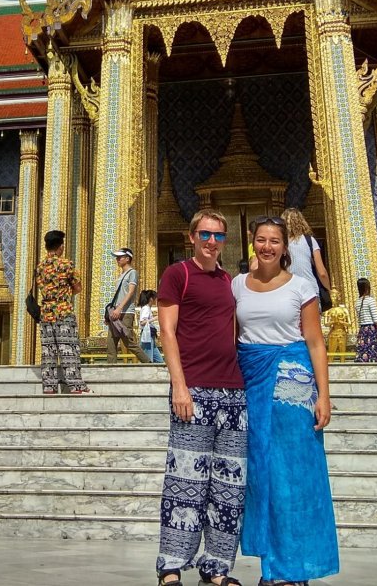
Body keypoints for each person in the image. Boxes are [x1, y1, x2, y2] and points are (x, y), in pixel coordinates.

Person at [234, 216, 338, 584]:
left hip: (292, 381)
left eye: (274, 241)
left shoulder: (300, 287)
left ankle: (295, 568)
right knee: (262, 473)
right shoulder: (237, 286)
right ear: (252, 243)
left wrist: (324, 395)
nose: (267, 247)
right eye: (261, 240)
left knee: (294, 471)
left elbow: (315, 343)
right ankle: (273, 567)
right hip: (252, 379)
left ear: (284, 246)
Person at [155, 208, 246, 586]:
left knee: (229, 489)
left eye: (219, 236)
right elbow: (167, 332)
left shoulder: (230, 281)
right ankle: (172, 566)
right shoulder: (178, 274)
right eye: (205, 235)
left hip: (234, 392)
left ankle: (216, 568)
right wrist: (179, 385)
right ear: (191, 237)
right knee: (186, 482)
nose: (212, 242)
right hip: (194, 390)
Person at [35, 230, 90, 395]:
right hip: (63, 311)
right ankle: (75, 385)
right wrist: (64, 293)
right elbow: (78, 287)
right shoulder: (66, 264)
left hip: (45, 312)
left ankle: (49, 386)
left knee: (48, 350)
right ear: (60, 247)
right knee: (69, 349)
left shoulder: (40, 267)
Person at [105, 248, 151, 363]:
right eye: (117, 257)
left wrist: (120, 308)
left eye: (120, 257)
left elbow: (130, 292)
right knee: (111, 342)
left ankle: (148, 363)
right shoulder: (121, 275)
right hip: (116, 312)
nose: (117, 259)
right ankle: (111, 370)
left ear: (127, 258)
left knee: (128, 342)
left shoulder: (132, 273)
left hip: (126, 312)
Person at [281, 207, 332, 301]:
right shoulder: (310, 241)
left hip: (289, 290)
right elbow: (322, 272)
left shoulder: (281, 244)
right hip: (310, 290)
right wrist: (329, 290)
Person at [354, 277, 377, 363]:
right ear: (367, 288)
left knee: (363, 351)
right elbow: (376, 319)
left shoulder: (357, 302)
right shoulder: (370, 300)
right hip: (371, 330)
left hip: (363, 330)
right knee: (373, 352)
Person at [138, 289, 164, 363]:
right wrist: (154, 319)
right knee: (148, 359)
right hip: (147, 336)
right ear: (151, 299)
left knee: (159, 360)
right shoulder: (145, 308)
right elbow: (142, 322)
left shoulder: (147, 308)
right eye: (155, 298)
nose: (156, 300)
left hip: (150, 335)